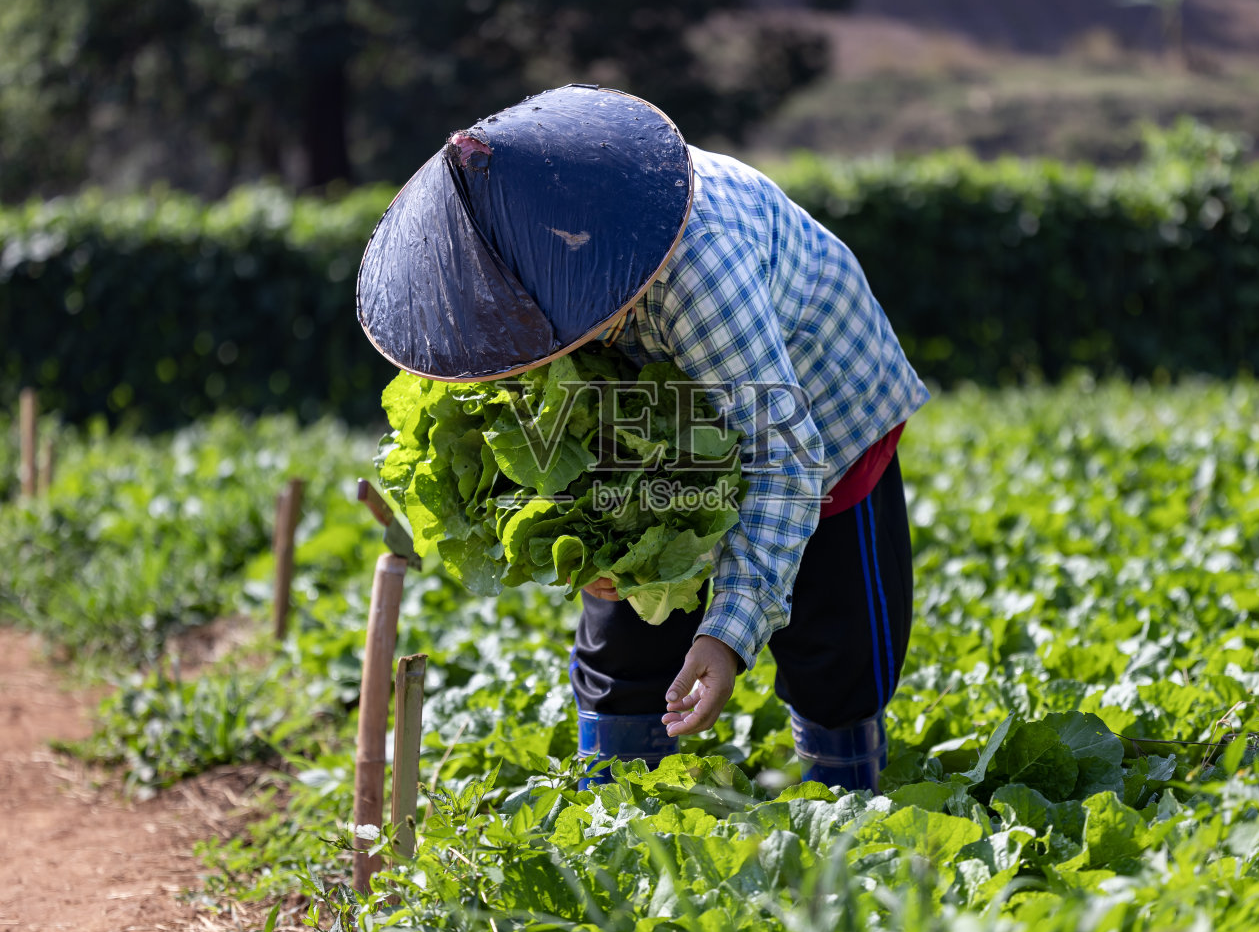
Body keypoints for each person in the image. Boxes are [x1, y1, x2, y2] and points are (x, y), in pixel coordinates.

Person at [356, 84, 928, 792]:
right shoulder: (515, 262)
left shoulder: (700, 272)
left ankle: (851, 806)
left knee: (837, 645)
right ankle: (615, 823)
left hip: (819, 402)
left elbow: (786, 458)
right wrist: (589, 549)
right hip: (649, 420)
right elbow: (518, 436)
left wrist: (726, 632)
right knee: (623, 643)